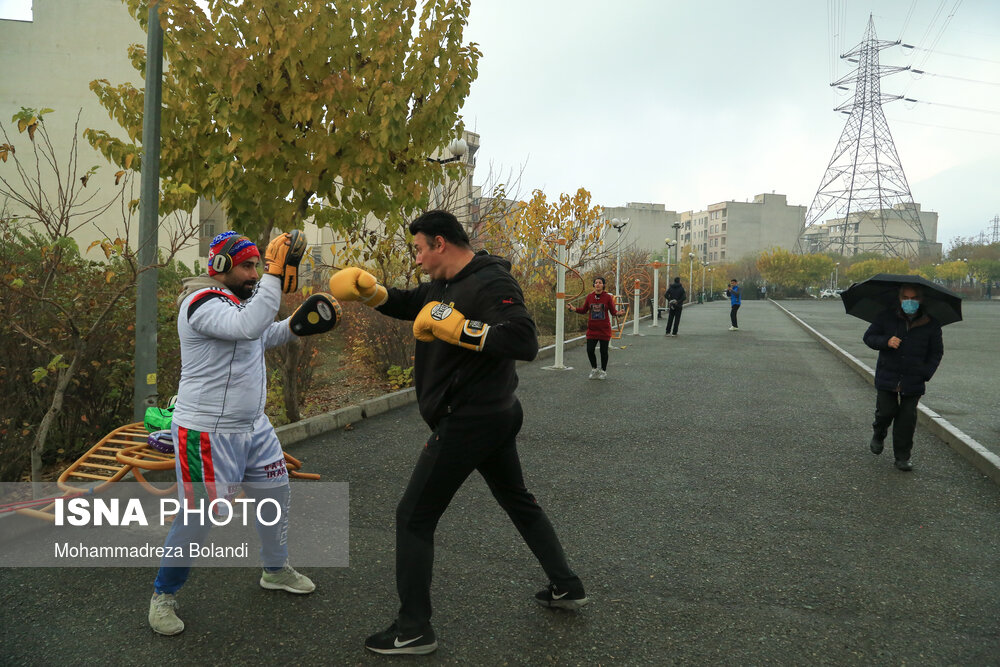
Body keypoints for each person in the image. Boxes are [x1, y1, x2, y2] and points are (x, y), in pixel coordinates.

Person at [329, 210, 587, 656]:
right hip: (493, 414)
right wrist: (374, 294)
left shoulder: (491, 282)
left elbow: (524, 340)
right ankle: (566, 585)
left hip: (471, 420)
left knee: (413, 517)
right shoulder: (445, 284)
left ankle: (413, 628)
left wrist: (463, 331)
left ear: (440, 243)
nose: (417, 258)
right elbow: (416, 305)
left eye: (418, 249)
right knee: (518, 501)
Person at [148, 229, 337, 635]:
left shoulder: (234, 305)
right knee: (199, 517)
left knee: (276, 495)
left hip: (254, 428)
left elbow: (259, 335)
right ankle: (163, 595)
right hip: (206, 433)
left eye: (257, 265)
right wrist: (274, 272)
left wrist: (296, 325)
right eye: (247, 266)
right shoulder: (198, 303)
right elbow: (250, 327)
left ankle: (274, 569)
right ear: (219, 266)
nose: (254, 274)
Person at [862, 284, 944, 471]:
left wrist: (925, 372)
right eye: (905, 297)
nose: (909, 302)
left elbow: (936, 352)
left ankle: (902, 457)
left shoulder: (931, 323)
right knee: (886, 411)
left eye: (913, 298)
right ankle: (879, 432)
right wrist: (886, 341)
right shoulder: (886, 316)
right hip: (888, 375)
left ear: (920, 300)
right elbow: (869, 337)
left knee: (907, 420)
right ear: (899, 299)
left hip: (914, 378)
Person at [567, 276, 619, 378]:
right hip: (592, 330)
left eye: (600, 282)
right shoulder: (590, 297)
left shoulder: (608, 297)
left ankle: (603, 371)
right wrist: (574, 309)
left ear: (603, 285)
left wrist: (619, 313)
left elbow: (613, 312)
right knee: (590, 350)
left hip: (604, 329)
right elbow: (584, 310)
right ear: (593, 285)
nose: (598, 284)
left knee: (603, 352)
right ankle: (594, 369)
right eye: (596, 282)